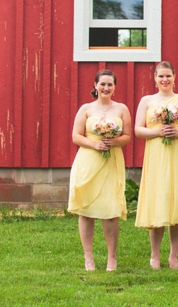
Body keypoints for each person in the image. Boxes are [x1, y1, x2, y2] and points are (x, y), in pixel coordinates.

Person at [134, 61, 178, 269]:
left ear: (174, 77)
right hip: (156, 156)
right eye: (161, 76)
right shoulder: (147, 101)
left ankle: (173, 254)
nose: (165, 80)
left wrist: (177, 132)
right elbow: (138, 129)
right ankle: (154, 254)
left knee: (177, 202)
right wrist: (157, 132)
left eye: (168, 76)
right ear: (155, 78)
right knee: (158, 201)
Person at [69, 69, 131, 271]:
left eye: (110, 84)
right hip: (89, 160)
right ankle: (89, 257)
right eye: (102, 84)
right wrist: (95, 145)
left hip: (111, 160)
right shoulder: (86, 109)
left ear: (115, 87)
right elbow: (76, 136)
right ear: (95, 86)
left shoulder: (122, 109)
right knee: (86, 211)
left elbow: (127, 137)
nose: (106, 88)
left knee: (111, 211)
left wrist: (113, 141)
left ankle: (112, 258)